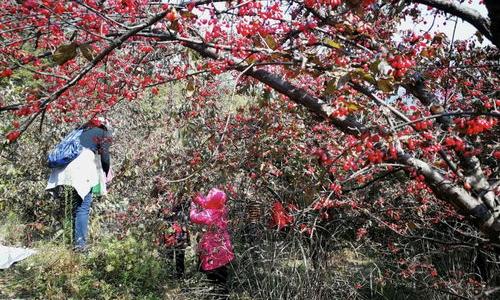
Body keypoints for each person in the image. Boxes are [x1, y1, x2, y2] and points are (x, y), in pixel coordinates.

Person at [46, 116, 112, 251]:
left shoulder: (81, 129)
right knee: (83, 208)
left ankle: (72, 243)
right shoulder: (103, 132)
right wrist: (106, 172)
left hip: (64, 171)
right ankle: (80, 247)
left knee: (74, 207)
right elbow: (105, 157)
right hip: (82, 170)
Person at [190, 188, 234, 298]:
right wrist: (196, 197)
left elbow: (194, 217)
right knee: (223, 277)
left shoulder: (208, 214)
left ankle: (217, 296)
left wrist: (193, 207)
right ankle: (224, 295)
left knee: (214, 279)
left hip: (213, 253)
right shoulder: (222, 209)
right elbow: (207, 203)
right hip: (225, 250)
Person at [153, 177, 190, 278]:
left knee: (178, 254)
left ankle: (179, 277)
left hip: (177, 227)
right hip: (169, 229)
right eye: (156, 184)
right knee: (169, 253)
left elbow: (167, 212)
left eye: (158, 183)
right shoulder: (160, 196)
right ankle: (171, 277)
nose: (157, 186)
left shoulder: (175, 194)